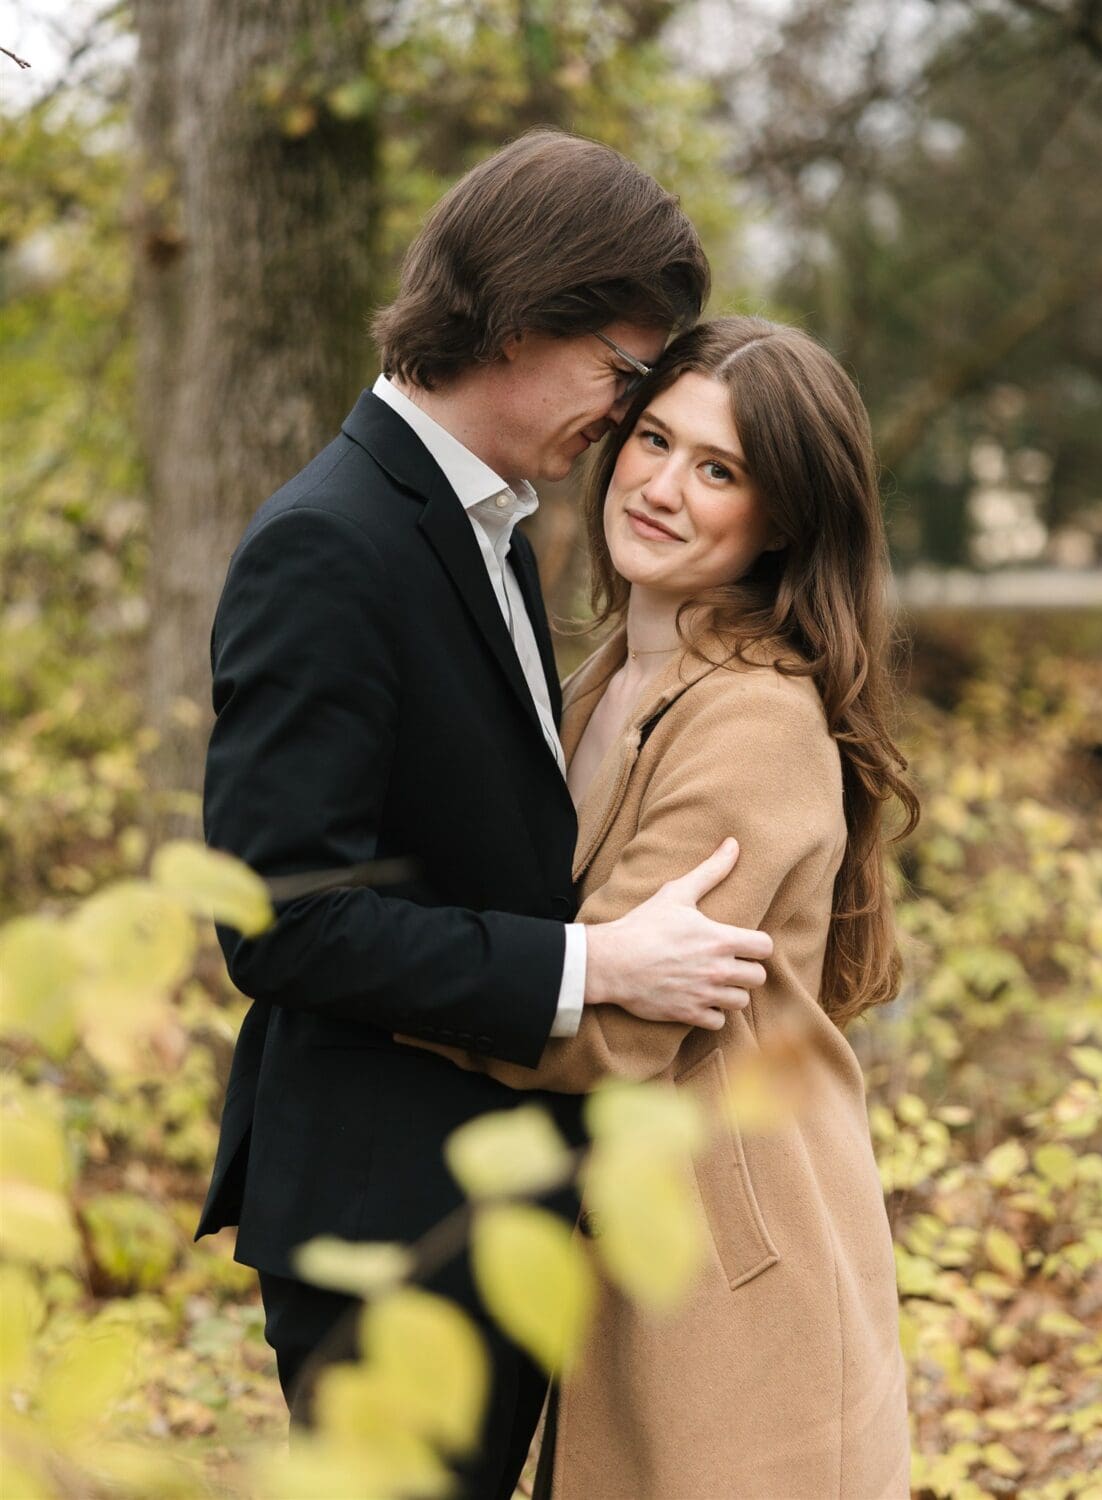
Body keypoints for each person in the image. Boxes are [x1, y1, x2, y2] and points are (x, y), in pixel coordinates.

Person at [194, 132, 776, 1500]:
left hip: (479, 1206)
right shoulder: (330, 543)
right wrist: (597, 970)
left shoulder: (490, 524)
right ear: (523, 317)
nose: (627, 418)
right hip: (384, 1228)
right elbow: (281, 923)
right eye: (623, 375)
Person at [407, 315, 920, 1498]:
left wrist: (366, 980)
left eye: (720, 469)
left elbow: (619, 1031)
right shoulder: (602, 678)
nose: (663, 488)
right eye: (653, 441)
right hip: (619, 1235)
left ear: (781, 518)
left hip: (729, 1275)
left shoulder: (752, 718)